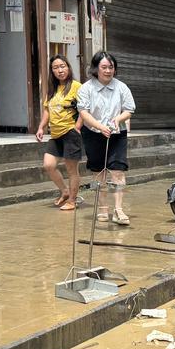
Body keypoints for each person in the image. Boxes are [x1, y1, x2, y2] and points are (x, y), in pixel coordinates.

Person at [78, 51, 136, 226]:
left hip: (117, 134)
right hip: (93, 134)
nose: (108, 71)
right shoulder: (86, 88)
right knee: (99, 172)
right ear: (96, 68)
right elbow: (83, 112)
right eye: (104, 67)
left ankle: (118, 209)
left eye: (111, 67)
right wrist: (99, 126)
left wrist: (118, 119)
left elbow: (129, 109)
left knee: (118, 170)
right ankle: (103, 208)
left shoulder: (121, 87)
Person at [36, 55, 84, 211]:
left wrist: (77, 126)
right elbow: (47, 110)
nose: (60, 70)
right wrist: (41, 127)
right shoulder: (51, 89)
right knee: (48, 165)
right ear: (52, 71)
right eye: (55, 67)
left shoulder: (77, 86)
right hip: (55, 134)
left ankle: (72, 200)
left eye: (62, 66)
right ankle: (64, 191)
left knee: (71, 170)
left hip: (70, 133)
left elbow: (85, 108)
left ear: (68, 67)